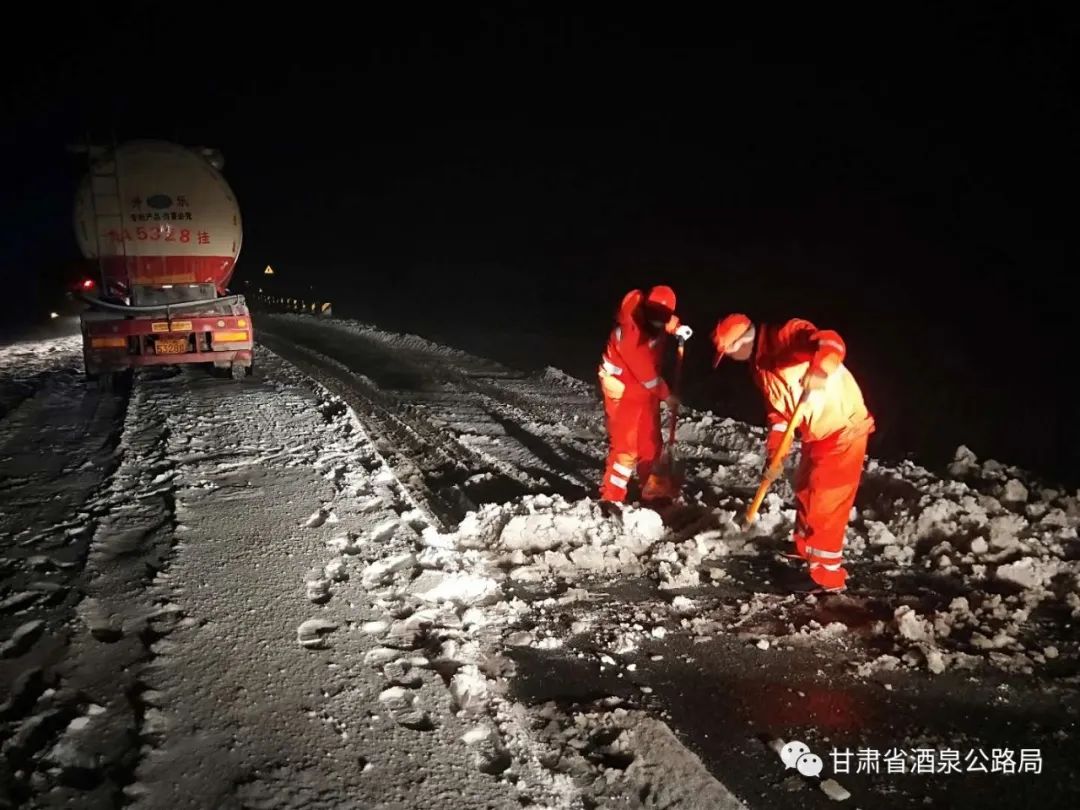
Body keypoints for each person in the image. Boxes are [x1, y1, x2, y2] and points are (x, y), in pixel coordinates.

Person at [711, 314, 875, 591]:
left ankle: (826, 577)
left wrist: (821, 369)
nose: (729, 358)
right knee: (806, 490)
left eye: (728, 352)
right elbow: (779, 415)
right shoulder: (760, 367)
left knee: (826, 500)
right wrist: (776, 454)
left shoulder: (785, 337)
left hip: (843, 426)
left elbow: (830, 341)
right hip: (817, 433)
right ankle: (804, 550)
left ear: (741, 343)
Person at [598, 285, 692, 507]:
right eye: (657, 318)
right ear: (646, 311)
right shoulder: (629, 332)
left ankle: (653, 488)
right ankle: (612, 497)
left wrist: (677, 327)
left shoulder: (654, 318)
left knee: (650, 441)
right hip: (621, 390)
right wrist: (667, 395)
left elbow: (664, 320)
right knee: (626, 447)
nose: (660, 323)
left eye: (664, 318)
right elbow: (647, 375)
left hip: (643, 389)